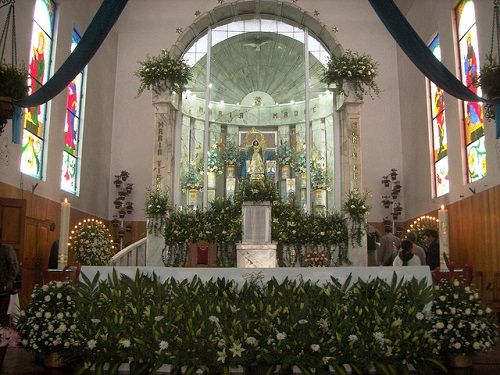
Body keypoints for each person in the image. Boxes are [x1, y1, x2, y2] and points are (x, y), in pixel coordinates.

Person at [0, 231, 20, 326]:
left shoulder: (7, 250)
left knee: (3, 315)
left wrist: (10, 280)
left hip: (3, 288)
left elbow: (14, 266)